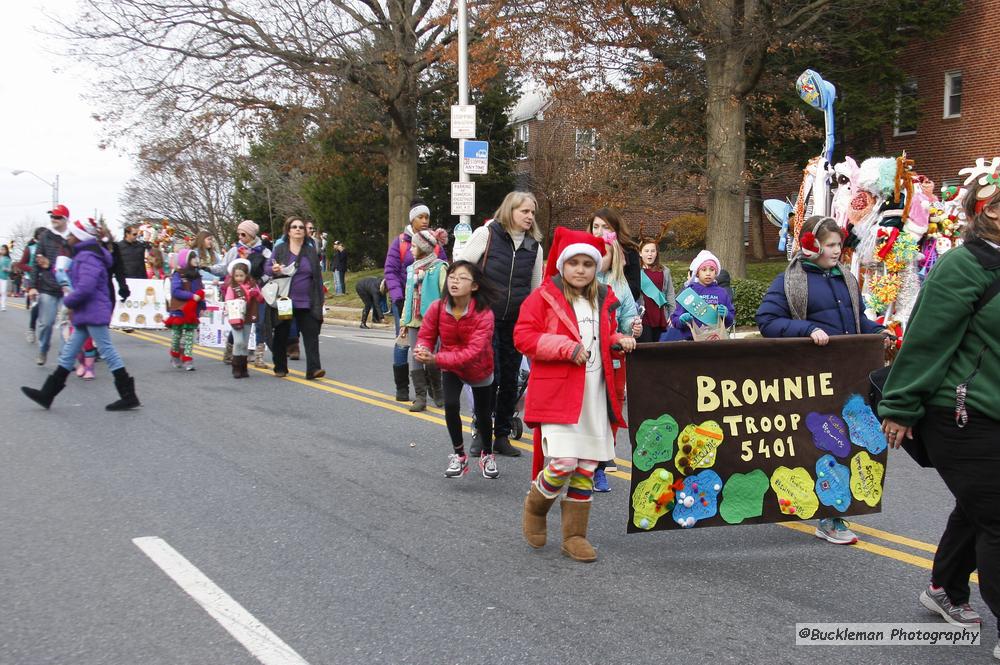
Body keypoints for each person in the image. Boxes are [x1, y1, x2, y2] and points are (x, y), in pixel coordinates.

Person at [879, 178, 1000, 655]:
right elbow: (927, 339)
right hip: (962, 414)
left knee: (981, 507)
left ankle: (944, 589)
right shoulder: (963, 265)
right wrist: (901, 404)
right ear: (987, 211)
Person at [756, 215, 891, 545]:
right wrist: (806, 330)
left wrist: (877, 331)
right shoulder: (790, 280)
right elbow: (767, 320)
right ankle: (830, 516)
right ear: (810, 245)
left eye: (838, 244)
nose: (836, 250)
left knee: (851, 441)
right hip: (814, 377)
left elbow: (857, 319)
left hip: (850, 373)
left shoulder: (846, 277)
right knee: (827, 444)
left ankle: (834, 512)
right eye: (830, 245)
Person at [515, 227, 635, 562]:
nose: (580, 269)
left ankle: (575, 535)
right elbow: (523, 336)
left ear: (597, 267)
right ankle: (536, 507)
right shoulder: (542, 297)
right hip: (558, 394)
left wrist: (619, 341)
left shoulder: (604, 299)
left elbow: (604, 337)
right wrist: (565, 347)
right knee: (564, 462)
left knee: (585, 468)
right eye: (574, 263)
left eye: (587, 263)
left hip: (595, 396)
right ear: (562, 265)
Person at [455, 192, 544, 457]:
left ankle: (502, 435)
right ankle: (481, 433)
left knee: (510, 379)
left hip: (516, 322)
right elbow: (461, 267)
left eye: (532, 213)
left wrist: (535, 322)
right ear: (510, 210)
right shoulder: (487, 234)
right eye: (524, 211)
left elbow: (535, 288)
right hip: (485, 318)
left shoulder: (534, 247)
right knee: (487, 378)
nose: (529, 217)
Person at [21, 217, 140, 411]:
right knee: (68, 353)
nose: (68, 237)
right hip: (87, 311)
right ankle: (47, 394)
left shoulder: (88, 257)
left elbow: (86, 287)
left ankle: (128, 395)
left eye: (71, 234)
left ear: (79, 237)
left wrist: (68, 302)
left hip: (92, 310)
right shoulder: (86, 254)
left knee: (108, 351)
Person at [414, 261, 499, 478]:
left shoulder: (484, 314)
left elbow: (473, 352)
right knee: (451, 405)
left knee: (482, 415)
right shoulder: (438, 307)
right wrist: (423, 349)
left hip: (479, 367)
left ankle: (487, 454)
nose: (455, 281)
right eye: (452, 276)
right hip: (450, 365)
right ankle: (459, 456)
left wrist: (436, 358)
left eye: (462, 278)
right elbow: (426, 335)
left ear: (474, 286)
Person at [587, 209, 643, 492]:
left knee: (611, 412)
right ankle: (582, 463)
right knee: (587, 413)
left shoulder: (620, 285)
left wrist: (633, 331)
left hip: (614, 362)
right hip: (585, 361)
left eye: (606, 251)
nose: (601, 257)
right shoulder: (580, 281)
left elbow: (629, 321)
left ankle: (600, 467)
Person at [385, 200, 448, 402]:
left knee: (430, 348)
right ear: (412, 219)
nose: (424, 220)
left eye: (426, 217)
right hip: (405, 302)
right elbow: (391, 271)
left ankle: (432, 387)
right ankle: (403, 387)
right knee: (404, 345)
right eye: (420, 217)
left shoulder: (434, 245)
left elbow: (445, 274)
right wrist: (398, 297)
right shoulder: (401, 243)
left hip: (430, 307)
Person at [265, 217, 326, 380]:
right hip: (285, 300)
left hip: (307, 300)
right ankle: (280, 366)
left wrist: (321, 298)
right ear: (288, 230)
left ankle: (313, 369)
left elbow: (317, 276)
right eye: (294, 227)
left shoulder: (310, 251)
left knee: (311, 333)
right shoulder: (280, 249)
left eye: (301, 227)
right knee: (282, 332)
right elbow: (267, 267)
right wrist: (274, 268)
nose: (298, 229)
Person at [399, 228, 449, 411]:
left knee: (432, 357)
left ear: (423, 248)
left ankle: (438, 390)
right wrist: (404, 321)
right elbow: (408, 296)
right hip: (414, 322)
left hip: (433, 321)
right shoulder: (411, 269)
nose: (410, 250)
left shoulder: (439, 268)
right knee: (416, 357)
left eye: (413, 246)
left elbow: (446, 296)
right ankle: (420, 397)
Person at [213, 220, 271, 368]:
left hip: (258, 291)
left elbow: (270, 269)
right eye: (238, 233)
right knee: (238, 322)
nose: (240, 236)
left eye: (243, 233)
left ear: (251, 234)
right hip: (238, 292)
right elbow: (224, 268)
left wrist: (261, 281)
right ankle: (230, 351)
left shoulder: (264, 251)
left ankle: (259, 356)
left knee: (260, 322)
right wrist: (208, 269)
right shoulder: (235, 250)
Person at [661, 250, 735, 341]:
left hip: (716, 340)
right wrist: (681, 320)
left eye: (712, 270)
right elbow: (675, 320)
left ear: (716, 272)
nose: (708, 273)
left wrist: (726, 314)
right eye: (704, 270)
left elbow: (730, 320)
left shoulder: (722, 293)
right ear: (697, 273)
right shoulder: (688, 292)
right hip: (691, 341)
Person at [31, 205, 71, 366]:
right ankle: (43, 349)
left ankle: (64, 358)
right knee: (46, 323)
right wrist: (33, 286)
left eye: (57, 217)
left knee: (65, 324)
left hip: (66, 288)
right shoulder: (45, 237)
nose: (53, 219)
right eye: (52, 216)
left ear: (65, 219)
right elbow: (36, 263)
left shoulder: (72, 237)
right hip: (47, 287)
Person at [165, 248, 205, 371]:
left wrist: (202, 306)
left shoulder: (197, 275)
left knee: (189, 336)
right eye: (193, 258)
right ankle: (175, 354)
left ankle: (188, 359)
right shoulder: (178, 274)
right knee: (177, 336)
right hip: (179, 310)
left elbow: (200, 291)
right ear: (186, 260)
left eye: (196, 257)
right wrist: (191, 296)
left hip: (191, 311)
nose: (196, 260)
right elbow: (175, 291)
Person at [224, 258, 263, 379]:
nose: (239, 278)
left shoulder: (253, 285)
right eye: (237, 276)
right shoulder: (232, 287)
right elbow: (228, 300)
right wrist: (236, 302)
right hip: (236, 316)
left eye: (242, 275)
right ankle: (236, 366)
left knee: (245, 343)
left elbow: (261, 299)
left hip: (248, 316)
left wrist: (256, 294)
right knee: (238, 341)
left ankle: (243, 367)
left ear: (247, 275)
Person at [638, 238, 676, 342]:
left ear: (656, 253)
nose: (650, 254)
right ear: (640, 253)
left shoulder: (665, 271)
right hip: (644, 317)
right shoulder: (636, 272)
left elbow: (670, 294)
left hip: (661, 316)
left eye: (653, 251)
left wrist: (673, 315)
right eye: (646, 251)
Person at [18, 228, 46, 343]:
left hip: (46, 281)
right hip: (33, 281)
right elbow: (21, 264)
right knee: (36, 306)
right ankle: (31, 329)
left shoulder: (48, 248)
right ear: (38, 236)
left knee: (45, 308)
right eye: (43, 235)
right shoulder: (30, 248)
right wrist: (33, 269)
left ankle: (44, 331)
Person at [0, 245, 11, 311]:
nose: (2, 250)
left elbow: (10, 269)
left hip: (4, 278)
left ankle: (3, 306)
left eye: (3, 249)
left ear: (6, 250)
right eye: (1, 249)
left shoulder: (8, 259)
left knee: (3, 292)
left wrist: (6, 269)